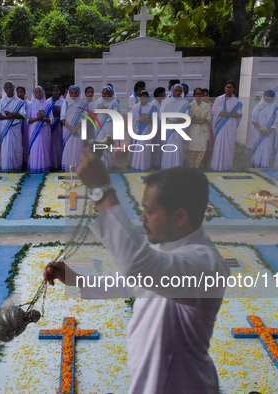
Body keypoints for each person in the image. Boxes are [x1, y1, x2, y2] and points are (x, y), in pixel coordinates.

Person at [44, 150, 229, 393]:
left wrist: (101, 190)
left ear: (180, 216)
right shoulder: (167, 248)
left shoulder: (205, 264)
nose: (141, 217)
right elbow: (132, 281)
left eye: (149, 211)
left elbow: (140, 267)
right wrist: (77, 279)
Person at [210, 80, 242, 171]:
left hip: (230, 126)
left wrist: (229, 114)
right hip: (219, 126)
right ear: (224, 88)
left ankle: (226, 167)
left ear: (234, 89)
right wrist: (220, 113)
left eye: (231, 87)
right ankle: (216, 166)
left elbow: (239, 115)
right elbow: (214, 112)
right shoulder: (219, 99)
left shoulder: (236, 102)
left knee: (229, 146)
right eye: (227, 87)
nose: (229, 89)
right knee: (218, 146)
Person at [0, 81, 26, 172]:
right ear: (4, 90)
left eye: (10, 87)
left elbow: (23, 115)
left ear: (14, 88)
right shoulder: (1, 101)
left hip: (15, 128)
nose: (9, 89)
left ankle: (17, 167)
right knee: (5, 148)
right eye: (7, 88)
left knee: (17, 148)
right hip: (5, 128)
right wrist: (5, 117)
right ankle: (5, 167)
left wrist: (14, 115)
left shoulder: (20, 102)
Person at [160, 84, 190, 169]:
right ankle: (167, 167)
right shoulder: (166, 101)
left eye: (180, 91)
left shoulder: (184, 103)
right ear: (172, 91)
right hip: (168, 128)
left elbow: (186, 116)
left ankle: (177, 167)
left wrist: (175, 121)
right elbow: (161, 114)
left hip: (179, 128)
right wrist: (169, 121)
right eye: (176, 90)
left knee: (178, 146)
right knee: (168, 147)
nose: (178, 92)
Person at [250, 89, 278, 169]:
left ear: (273, 97)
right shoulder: (258, 106)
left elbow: (276, 121)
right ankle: (255, 165)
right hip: (258, 132)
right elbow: (253, 119)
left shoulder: (275, 108)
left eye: (270, 95)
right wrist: (260, 130)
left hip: (269, 133)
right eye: (266, 95)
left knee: (267, 149)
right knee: (258, 148)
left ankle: (264, 166)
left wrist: (268, 131)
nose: (267, 97)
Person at [27, 86, 53, 173]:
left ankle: (44, 167)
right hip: (33, 130)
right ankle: (34, 167)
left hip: (45, 130)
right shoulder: (30, 105)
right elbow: (27, 120)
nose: (38, 94)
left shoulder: (48, 105)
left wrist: (44, 118)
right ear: (34, 94)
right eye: (36, 92)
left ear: (43, 93)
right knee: (35, 148)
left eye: (40, 92)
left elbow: (51, 120)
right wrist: (37, 118)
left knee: (44, 148)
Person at [61, 85, 88, 171]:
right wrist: (71, 129)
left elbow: (85, 119)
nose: (74, 94)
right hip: (67, 131)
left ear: (79, 93)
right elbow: (62, 119)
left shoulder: (83, 104)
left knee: (78, 148)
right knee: (68, 148)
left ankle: (78, 168)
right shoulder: (65, 103)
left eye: (76, 92)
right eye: (72, 93)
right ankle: (68, 168)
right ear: (69, 93)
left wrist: (75, 128)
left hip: (78, 130)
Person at [130, 90, 158, 171]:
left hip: (147, 131)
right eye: (142, 98)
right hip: (138, 130)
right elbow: (132, 119)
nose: (144, 100)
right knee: (138, 148)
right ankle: (136, 166)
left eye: (146, 98)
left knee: (146, 149)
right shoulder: (135, 107)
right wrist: (139, 120)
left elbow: (155, 120)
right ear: (140, 98)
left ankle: (145, 166)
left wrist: (148, 120)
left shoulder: (152, 107)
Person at [94, 85, 120, 170]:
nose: (104, 95)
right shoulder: (98, 100)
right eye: (103, 93)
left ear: (110, 94)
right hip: (99, 126)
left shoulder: (114, 103)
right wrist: (98, 108)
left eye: (106, 94)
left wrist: (107, 111)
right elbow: (94, 113)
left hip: (108, 126)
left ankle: (108, 165)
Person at [185, 87, 212, 169]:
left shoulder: (206, 106)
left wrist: (201, 120)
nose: (199, 95)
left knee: (201, 150)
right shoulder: (190, 106)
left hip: (203, 129)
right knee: (191, 150)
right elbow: (188, 117)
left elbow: (208, 117)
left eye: (200, 94)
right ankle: (191, 169)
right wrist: (196, 120)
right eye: (197, 94)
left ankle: (196, 168)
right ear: (194, 95)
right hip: (192, 130)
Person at [47, 85, 65, 171]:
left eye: (57, 90)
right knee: (50, 145)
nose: (55, 92)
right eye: (54, 91)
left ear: (60, 92)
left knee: (58, 144)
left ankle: (58, 163)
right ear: (51, 92)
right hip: (50, 125)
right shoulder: (48, 101)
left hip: (59, 125)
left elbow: (66, 113)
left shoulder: (63, 102)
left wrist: (60, 112)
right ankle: (50, 164)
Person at [17, 85, 30, 170]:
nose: (20, 94)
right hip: (17, 125)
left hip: (26, 125)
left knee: (26, 144)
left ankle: (26, 162)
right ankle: (18, 162)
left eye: (22, 92)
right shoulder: (15, 103)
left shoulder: (28, 103)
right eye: (18, 92)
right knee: (18, 144)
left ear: (25, 93)